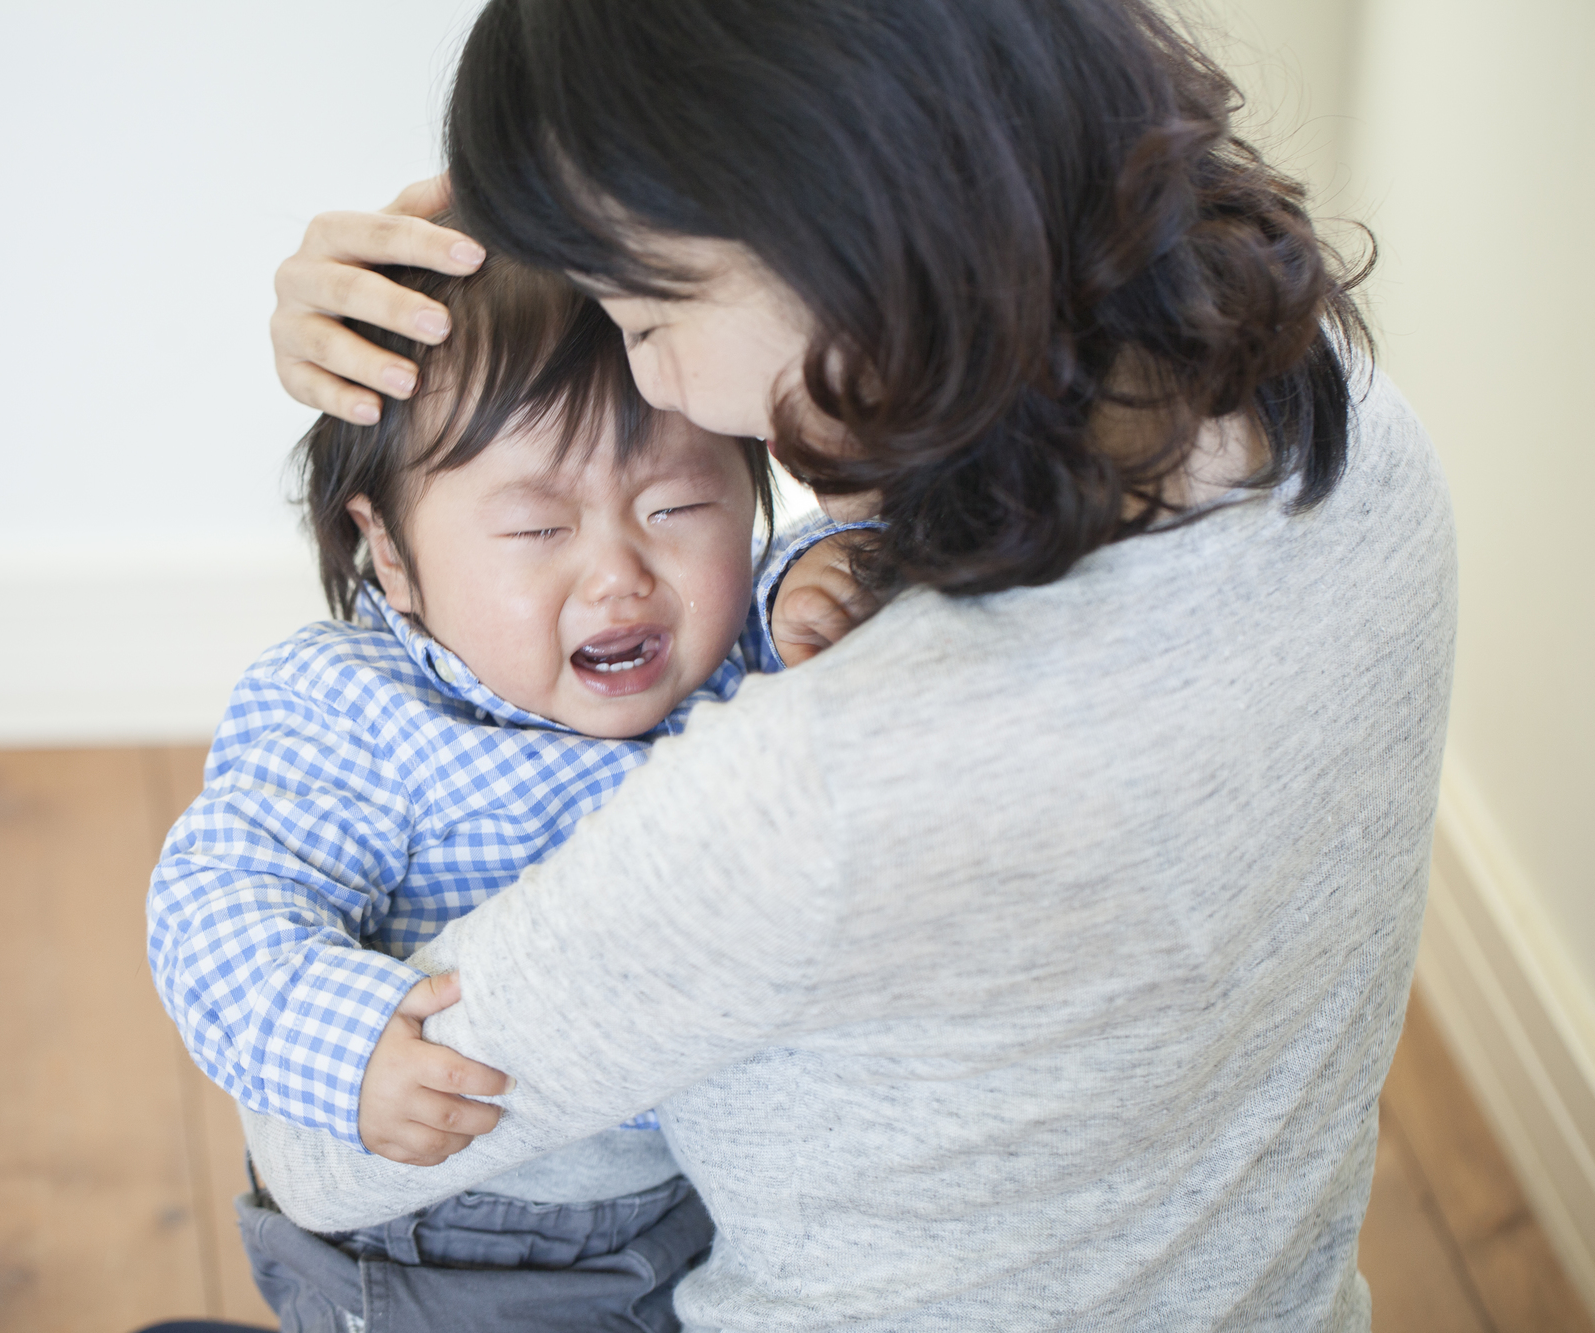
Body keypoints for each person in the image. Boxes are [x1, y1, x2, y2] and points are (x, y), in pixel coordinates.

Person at [238, 1, 1458, 1330]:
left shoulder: (823, 786)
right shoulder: (1342, 420)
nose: (664, 385)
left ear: (822, 217)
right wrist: (508, 262)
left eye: (642, 314)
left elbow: (323, 1153)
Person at [147, 246, 872, 1331]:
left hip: (697, 1197)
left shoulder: (745, 644)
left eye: (676, 506)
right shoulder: (355, 711)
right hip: (452, 1239)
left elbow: (835, 557)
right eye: (538, 529)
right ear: (389, 556)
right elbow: (215, 899)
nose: (619, 573)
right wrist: (346, 1044)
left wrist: (836, 569)